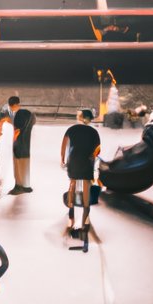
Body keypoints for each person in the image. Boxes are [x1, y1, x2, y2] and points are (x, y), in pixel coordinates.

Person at [61, 108, 101, 252]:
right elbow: (98, 149)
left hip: (73, 160)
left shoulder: (72, 129)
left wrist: (62, 159)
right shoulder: (94, 132)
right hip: (86, 161)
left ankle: (71, 205)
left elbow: (64, 144)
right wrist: (93, 157)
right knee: (86, 184)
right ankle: (85, 209)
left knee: (72, 181)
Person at [7, 96, 36, 195]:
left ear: (13, 105)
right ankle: (26, 186)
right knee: (25, 166)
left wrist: (13, 141)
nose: (10, 108)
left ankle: (19, 186)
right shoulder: (29, 114)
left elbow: (17, 130)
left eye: (10, 106)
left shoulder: (19, 114)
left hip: (19, 145)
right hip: (26, 145)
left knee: (18, 166)